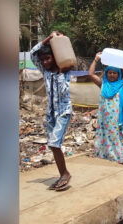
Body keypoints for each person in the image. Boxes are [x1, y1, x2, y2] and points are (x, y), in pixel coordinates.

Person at [30, 31, 73, 191]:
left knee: (55, 143)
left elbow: (63, 92)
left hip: (63, 113)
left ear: (55, 57)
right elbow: (32, 53)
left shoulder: (67, 73)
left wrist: (61, 73)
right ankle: (63, 174)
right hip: (50, 114)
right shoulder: (45, 72)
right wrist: (48, 38)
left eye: (48, 58)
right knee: (53, 145)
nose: (45, 62)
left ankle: (65, 174)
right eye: (43, 60)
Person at [88, 52, 123, 164]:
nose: (112, 75)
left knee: (119, 137)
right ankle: (108, 156)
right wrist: (96, 60)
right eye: (110, 72)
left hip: (118, 119)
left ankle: (122, 157)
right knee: (107, 136)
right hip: (105, 120)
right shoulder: (103, 84)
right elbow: (91, 74)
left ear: (118, 74)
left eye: (114, 73)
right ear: (106, 73)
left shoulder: (122, 84)